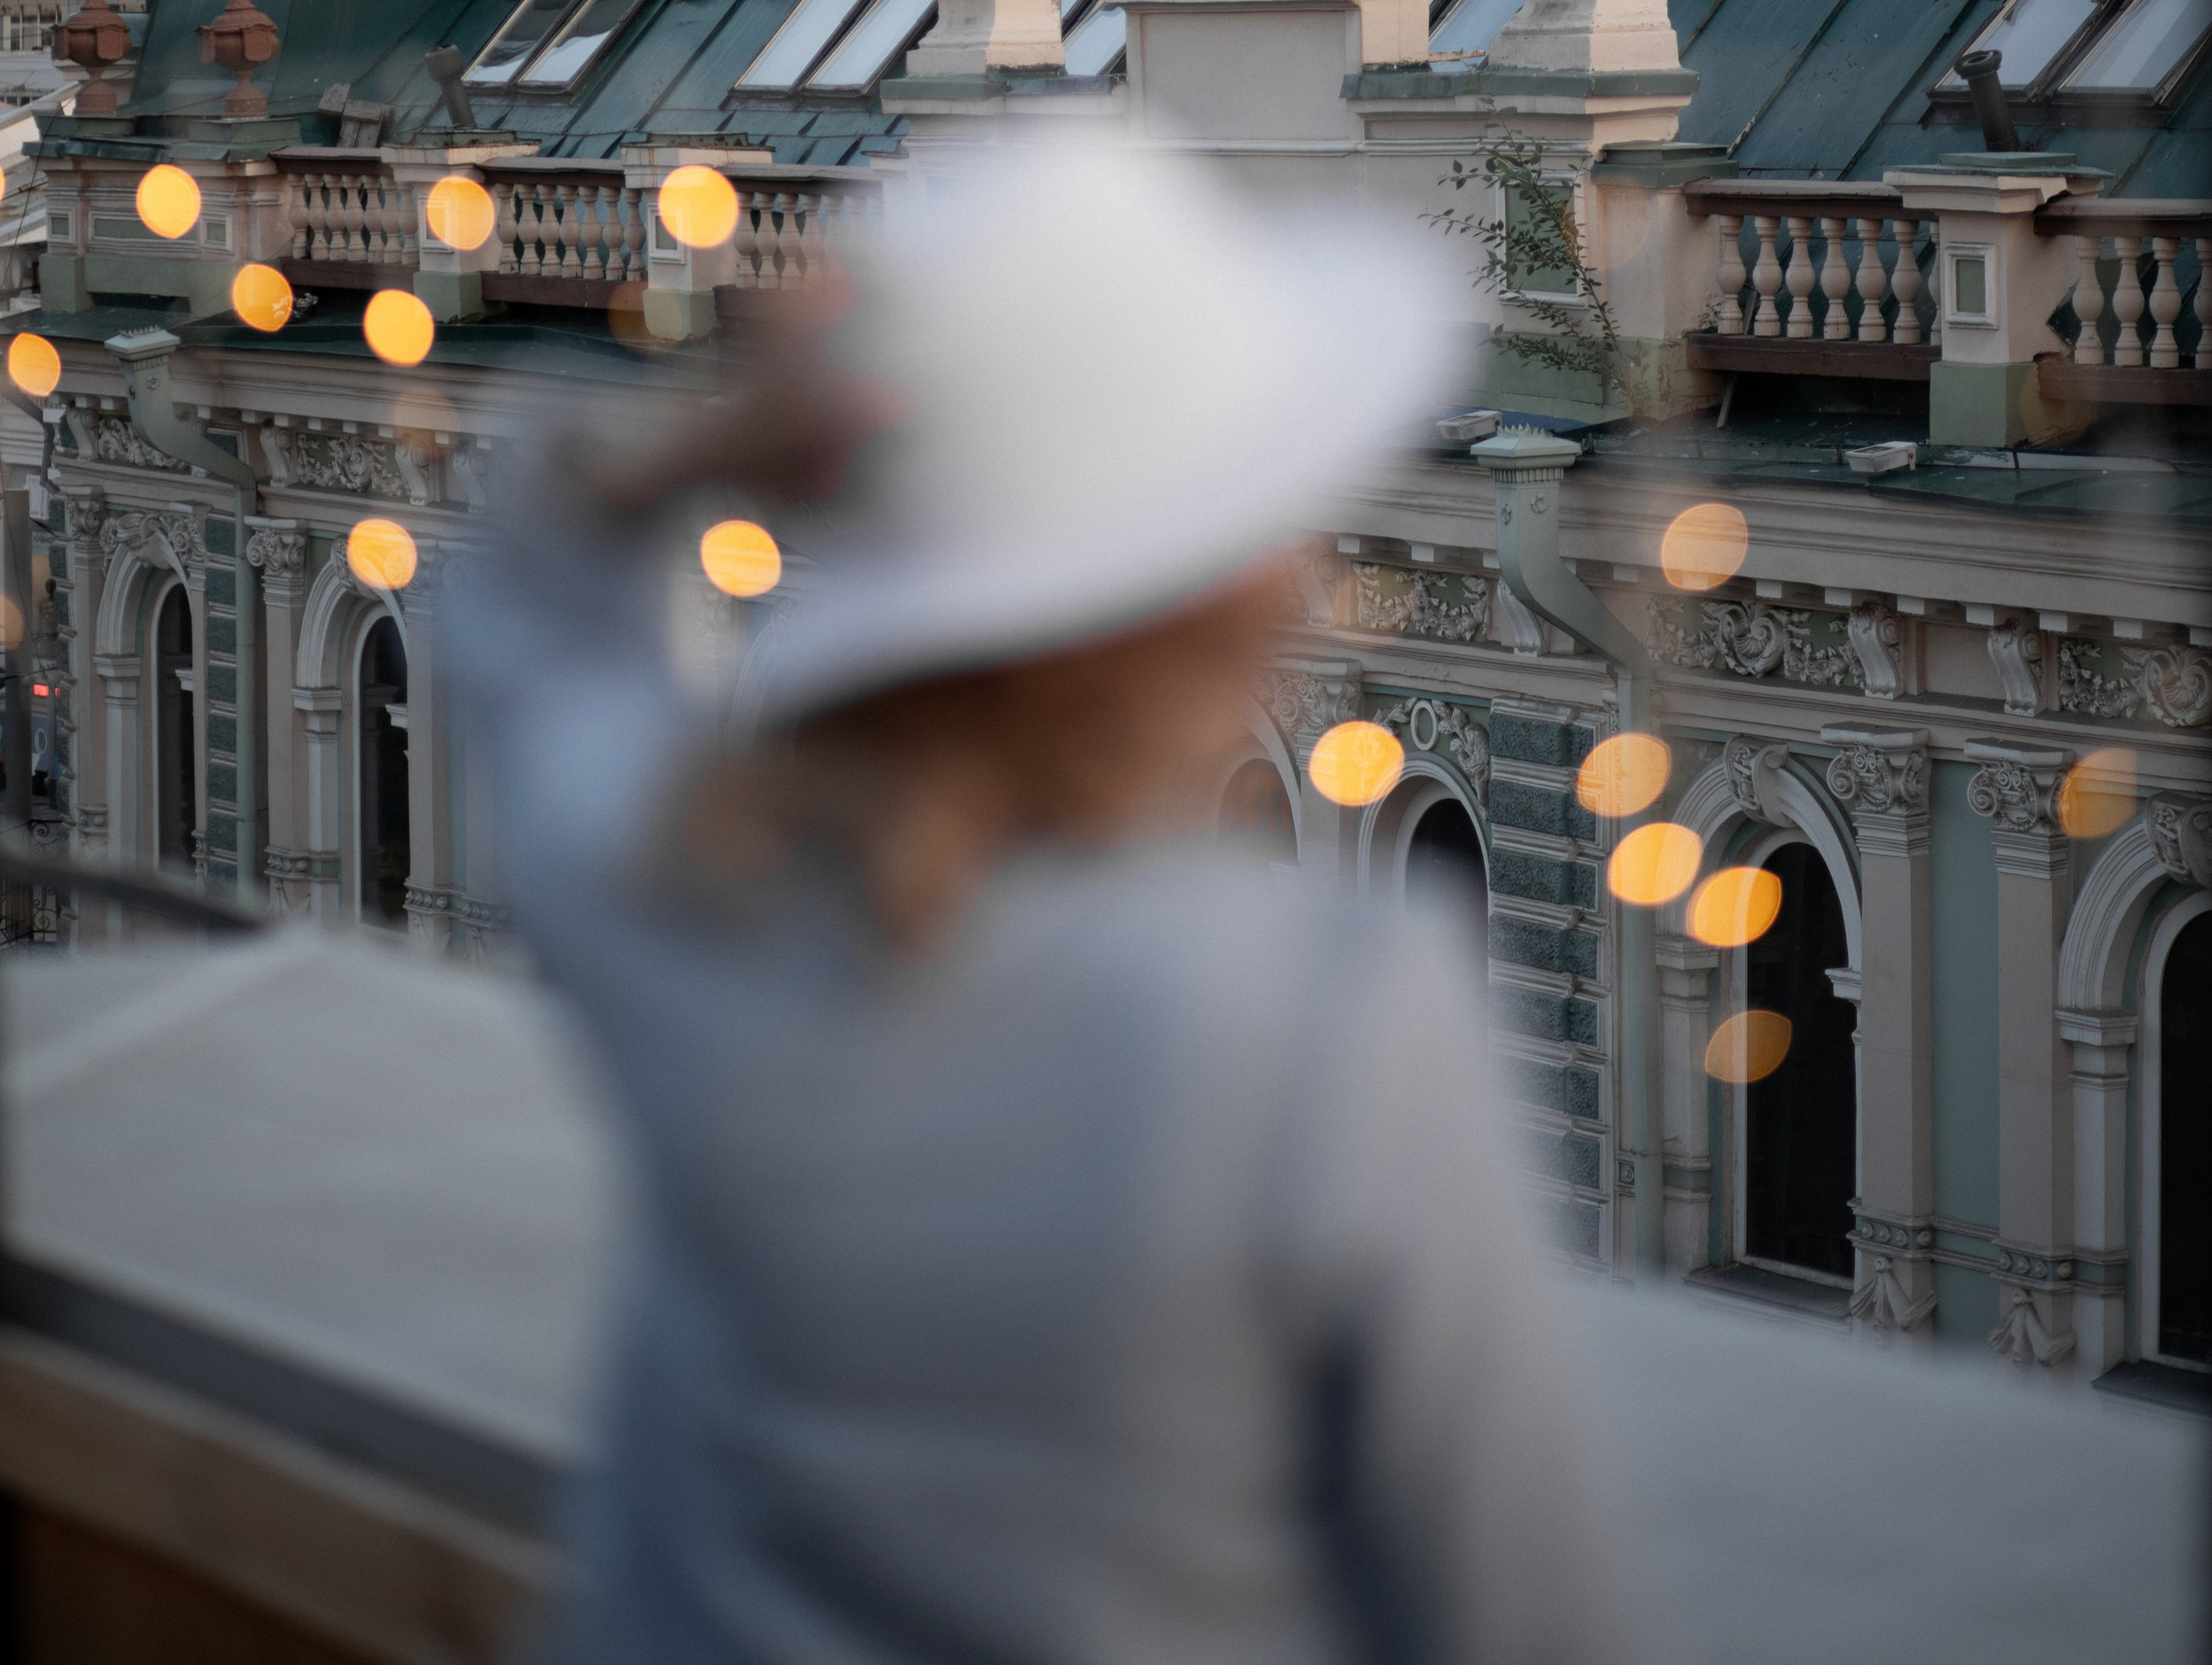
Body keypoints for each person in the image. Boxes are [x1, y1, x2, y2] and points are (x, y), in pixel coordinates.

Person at [452, 136, 1613, 1664]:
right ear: (1228, 597)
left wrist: (718, 444)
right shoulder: (1319, 1017)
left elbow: (519, 612)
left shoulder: (683, 893)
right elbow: (1513, 1605)